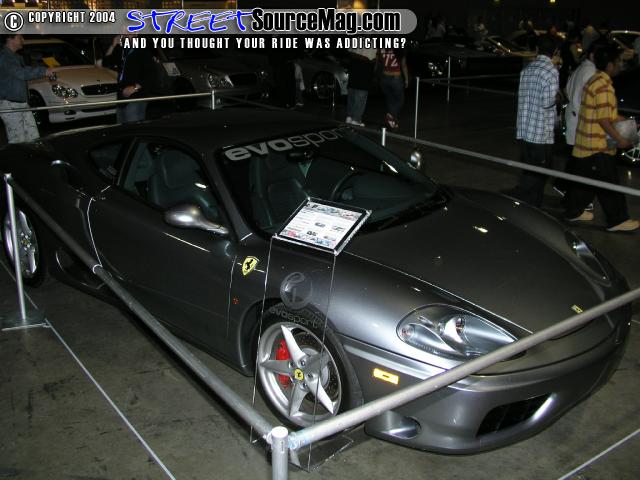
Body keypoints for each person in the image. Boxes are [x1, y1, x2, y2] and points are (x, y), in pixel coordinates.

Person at [564, 42, 639, 232]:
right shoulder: (604, 86)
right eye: (619, 61)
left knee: (586, 181)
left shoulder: (594, 79)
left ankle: (573, 211)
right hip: (597, 144)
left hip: (586, 140)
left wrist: (622, 119)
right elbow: (603, 120)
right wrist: (620, 139)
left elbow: (601, 112)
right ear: (610, 65)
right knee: (609, 183)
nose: (621, 65)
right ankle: (617, 219)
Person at [512, 34, 560, 208]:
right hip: (541, 134)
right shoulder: (551, 71)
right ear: (555, 52)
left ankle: (530, 206)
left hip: (525, 130)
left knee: (528, 171)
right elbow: (547, 102)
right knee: (538, 176)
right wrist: (558, 97)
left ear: (537, 49)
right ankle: (525, 206)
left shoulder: (527, 69)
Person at [0, 34, 56, 143]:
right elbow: (20, 73)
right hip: (10, 104)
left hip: (20, 103)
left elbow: (23, 72)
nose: (23, 40)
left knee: (33, 137)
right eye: (20, 37)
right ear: (10, 39)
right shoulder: (5, 57)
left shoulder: (14, 56)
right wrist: (43, 71)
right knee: (18, 141)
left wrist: (42, 70)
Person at [103, 35, 156, 123]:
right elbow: (106, 62)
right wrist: (113, 45)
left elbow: (150, 74)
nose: (126, 34)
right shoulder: (122, 49)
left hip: (136, 96)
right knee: (122, 125)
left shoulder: (143, 50)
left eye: (129, 32)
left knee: (133, 126)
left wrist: (135, 88)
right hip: (121, 96)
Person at [345, 46, 376, 127]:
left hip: (354, 70)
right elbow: (373, 59)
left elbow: (350, 52)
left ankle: (349, 117)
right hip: (364, 71)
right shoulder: (372, 42)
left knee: (352, 96)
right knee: (360, 98)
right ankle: (356, 119)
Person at [379, 47, 409, 130]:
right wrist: (406, 79)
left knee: (390, 99)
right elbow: (403, 65)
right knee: (400, 100)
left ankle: (393, 122)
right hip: (396, 77)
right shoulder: (399, 50)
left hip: (384, 77)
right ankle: (391, 115)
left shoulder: (383, 49)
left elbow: (380, 62)